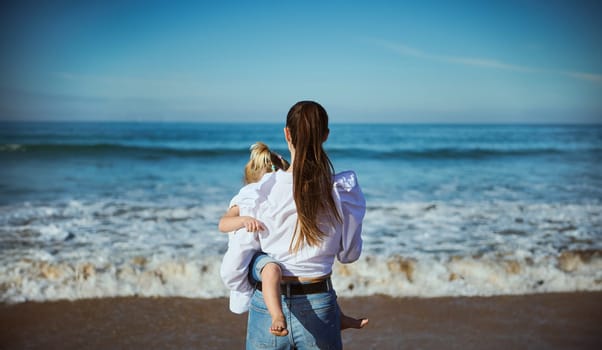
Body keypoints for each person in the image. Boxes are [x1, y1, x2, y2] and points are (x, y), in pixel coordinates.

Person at [220, 101, 366, 349]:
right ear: (326, 135)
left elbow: (242, 250)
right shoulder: (341, 191)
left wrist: (240, 287)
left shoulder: (260, 191)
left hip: (268, 306)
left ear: (287, 133)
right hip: (320, 303)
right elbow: (349, 255)